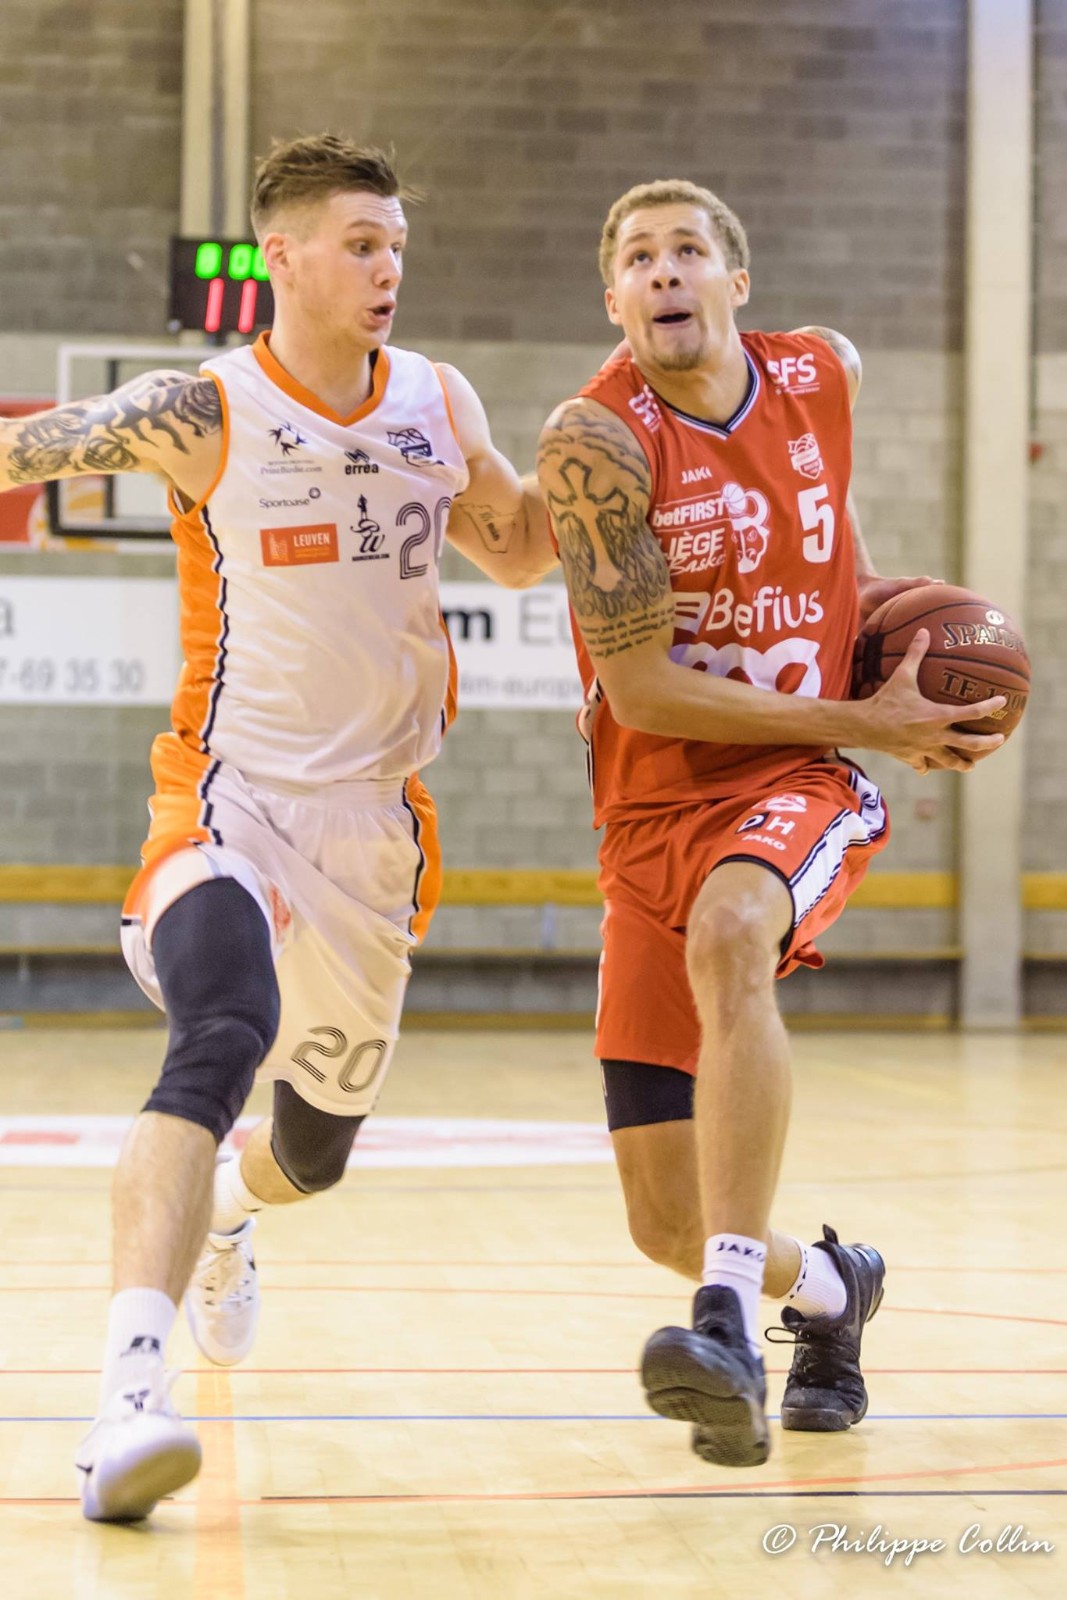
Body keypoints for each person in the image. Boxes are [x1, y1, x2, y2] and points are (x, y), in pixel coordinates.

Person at [0, 134, 556, 1522]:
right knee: (222, 1027)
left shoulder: (437, 398)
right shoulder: (202, 411)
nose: (388, 268)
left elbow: (521, 550)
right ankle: (127, 1401)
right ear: (283, 259)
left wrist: (617, 456)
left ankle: (230, 1218)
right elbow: (22, 449)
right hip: (225, 796)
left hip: (376, 825)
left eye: (397, 245)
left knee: (313, 1153)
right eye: (362, 243)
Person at [536, 179, 1005, 1469]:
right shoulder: (596, 444)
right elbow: (640, 690)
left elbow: (829, 525)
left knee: (735, 927)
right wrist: (878, 718)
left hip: (796, 778)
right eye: (638, 257)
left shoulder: (822, 371)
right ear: (614, 298)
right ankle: (831, 1291)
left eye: (688, 249)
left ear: (735, 282)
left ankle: (728, 1330)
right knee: (661, 1218)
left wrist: (880, 648)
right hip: (649, 815)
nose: (664, 270)